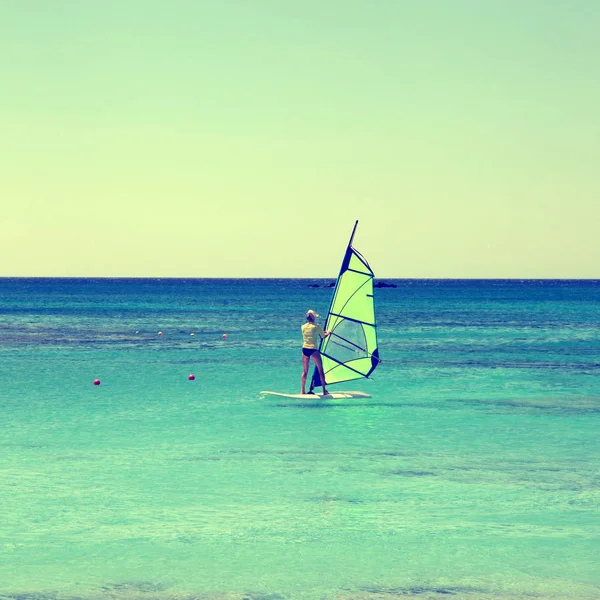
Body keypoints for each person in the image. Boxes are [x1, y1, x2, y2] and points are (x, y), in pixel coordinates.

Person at [301, 309, 330, 395]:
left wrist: (321, 332)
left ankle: (302, 391)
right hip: (313, 350)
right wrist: (328, 332)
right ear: (314, 318)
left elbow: (312, 333)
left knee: (305, 371)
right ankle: (324, 391)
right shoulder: (316, 326)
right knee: (321, 370)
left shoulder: (303, 327)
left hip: (305, 349)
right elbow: (323, 336)